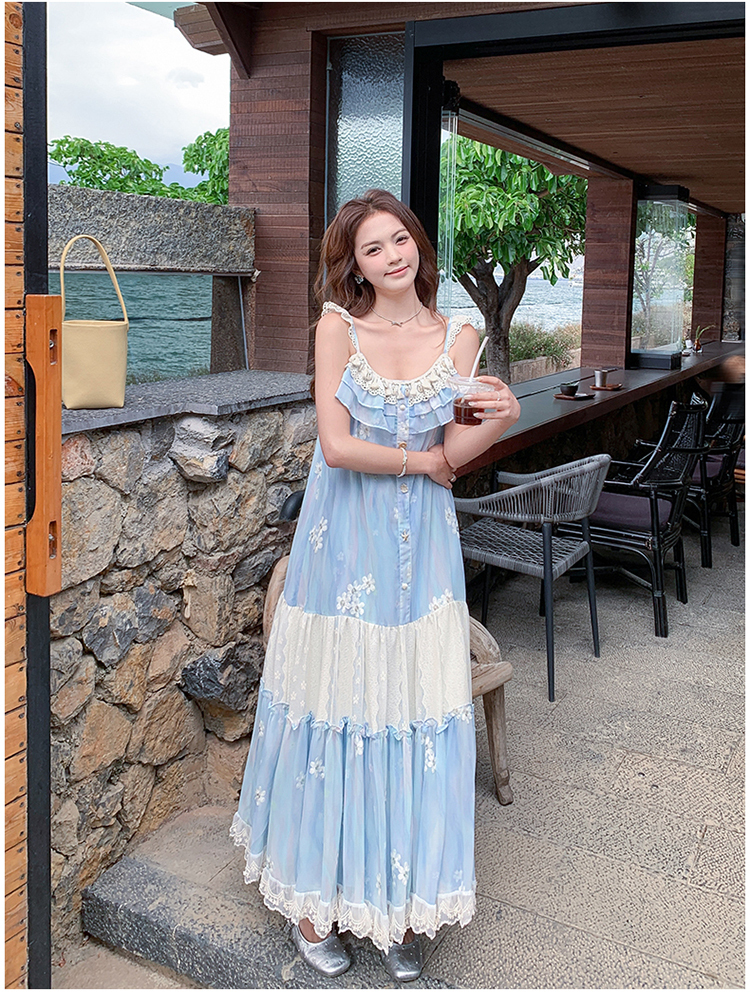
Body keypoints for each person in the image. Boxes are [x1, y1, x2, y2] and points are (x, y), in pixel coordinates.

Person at [231, 189, 520, 981]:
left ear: (418, 244)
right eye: (372, 248)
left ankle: (398, 907)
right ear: (353, 266)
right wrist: (423, 462)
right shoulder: (338, 327)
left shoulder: (459, 336)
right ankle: (312, 906)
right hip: (339, 547)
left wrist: (500, 416)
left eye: (399, 240)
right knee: (334, 707)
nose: (392, 256)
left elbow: (455, 451)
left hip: (420, 551)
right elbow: (336, 444)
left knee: (409, 710)